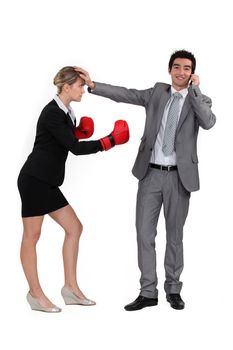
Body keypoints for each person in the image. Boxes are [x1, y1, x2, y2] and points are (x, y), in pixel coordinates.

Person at [77, 50, 216, 311]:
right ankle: (148, 292)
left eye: (187, 69)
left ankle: (173, 289)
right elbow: (126, 94)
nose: (181, 72)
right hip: (150, 174)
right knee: (144, 234)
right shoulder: (157, 93)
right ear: (169, 69)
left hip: (179, 178)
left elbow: (208, 123)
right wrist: (94, 86)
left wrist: (195, 91)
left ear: (192, 73)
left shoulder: (200, 99)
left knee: (174, 236)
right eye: (177, 67)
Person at [17, 66, 129, 312]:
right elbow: (75, 148)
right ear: (66, 87)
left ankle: (70, 288)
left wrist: (76, 131)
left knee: (74, 228)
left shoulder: (66, 112)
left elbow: (63, 141)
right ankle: (35, 294)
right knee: (32, 236)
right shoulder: (52, 113)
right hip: (35, 179)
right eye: (80, 86)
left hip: (47, 181)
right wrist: (109, 141)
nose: (84, 90)